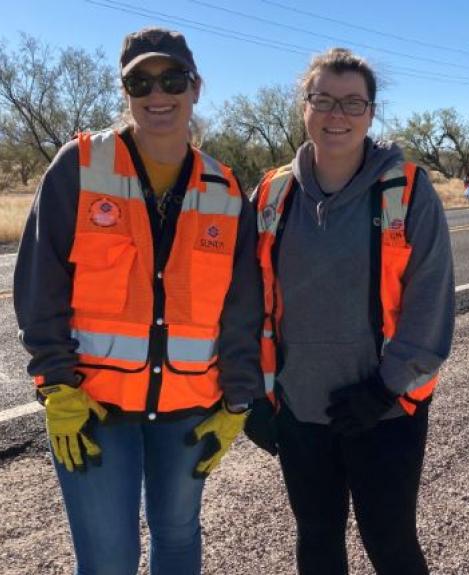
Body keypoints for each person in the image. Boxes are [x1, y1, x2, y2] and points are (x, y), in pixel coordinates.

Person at [13, 27, 263, 575]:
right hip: (93, 407)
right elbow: (39, 286)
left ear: (196, 87)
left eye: (172, 79)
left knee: (178, 540)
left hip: (190, 409)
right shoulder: (78, 167)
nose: (157, 94)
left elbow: (242, 308)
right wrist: (57, 386)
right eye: (140, 81)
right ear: (124, 90)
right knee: (108, 560)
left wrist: (238, 401)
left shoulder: (225, 189)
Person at [244, 48, 455, 575]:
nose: (337, 115)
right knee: (316, 540)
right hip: (299, 408)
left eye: (352, 103)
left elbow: (431, 298)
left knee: (391, 545)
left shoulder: (406, 190)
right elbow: (246, 300)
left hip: (384, 409)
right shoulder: (271, 193)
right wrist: (255, 395)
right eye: (324, 100)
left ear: (371, 112)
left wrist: (386, 388)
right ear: (304, 106)